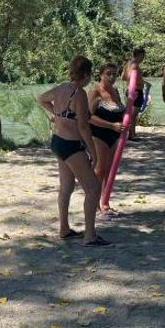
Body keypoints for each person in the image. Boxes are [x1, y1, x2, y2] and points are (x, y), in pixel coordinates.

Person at [37, 55, 110, 246]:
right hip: (71, 145)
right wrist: (93, 152)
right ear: (85, 74)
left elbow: (42, 99)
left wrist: (57, 114)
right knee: (93, 188)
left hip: (57, 141)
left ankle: (64, 229)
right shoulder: (79, 94)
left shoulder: (61, 88)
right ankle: (90, 236)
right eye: (89, 75)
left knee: (66, 187)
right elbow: (84, 127)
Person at [87, 63, 125, 216]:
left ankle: (105, 202)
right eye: (108, 73)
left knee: (110, 170)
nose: (111, 77)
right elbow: (88, 117)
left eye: (114, 74)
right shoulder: (95, 91)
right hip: (99, 133)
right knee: (100, 169)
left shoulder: (115, 91)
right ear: (100, 74)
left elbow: (122, 110)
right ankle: (94, 203)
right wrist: (111, 125)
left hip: (115, 134)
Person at [121, 47, 147, 141]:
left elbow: (123, 77)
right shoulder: (135, 65)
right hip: (135, 91)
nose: (143, 58)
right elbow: (131, 77)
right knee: (133, 114)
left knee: (130, 113)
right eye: (143, 56)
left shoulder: (127, 64)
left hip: (130, 90)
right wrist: (143, 82)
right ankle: (132, 135)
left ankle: (132, 133)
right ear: (139, 55)